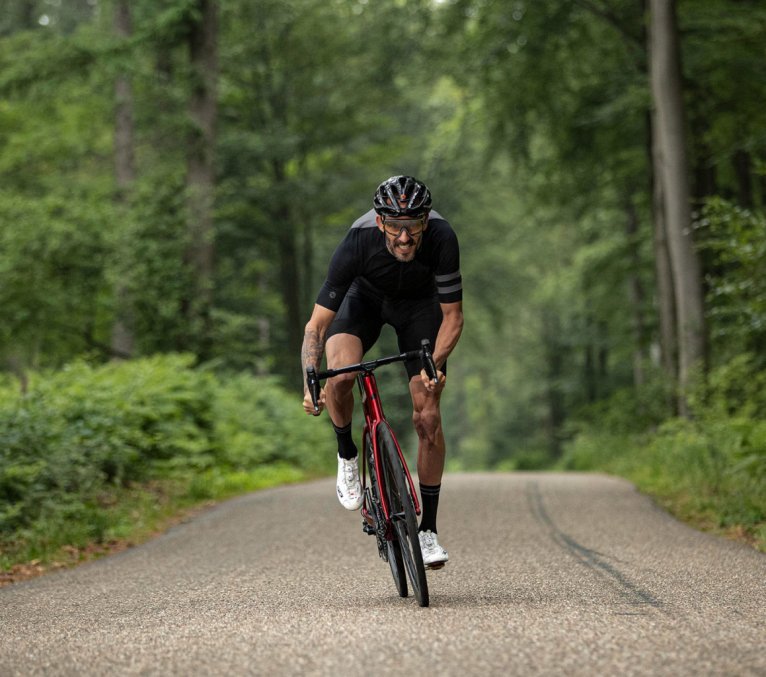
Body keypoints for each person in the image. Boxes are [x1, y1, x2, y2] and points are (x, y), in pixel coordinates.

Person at [300, 175, 463, 568]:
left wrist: (434, 365)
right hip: (365, 300)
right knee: (340, 376)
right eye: (395, 227)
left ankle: (428, 532)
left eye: (413, 227)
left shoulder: (442, 237)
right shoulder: (357, 241)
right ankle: (347, 455)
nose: (405, 238)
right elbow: (316, 326)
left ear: (426, 221)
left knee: (428, 415)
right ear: (380, 223)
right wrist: (309, 376)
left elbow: (453, 318)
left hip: (420, 307)